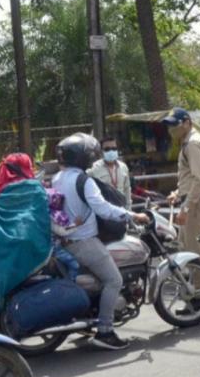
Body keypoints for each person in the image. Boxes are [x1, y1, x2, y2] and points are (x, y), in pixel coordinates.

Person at [51, 133, 150, 350]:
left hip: (65, 241)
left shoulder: (58, 178)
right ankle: (105, 331)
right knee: (114, 280)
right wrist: (132, 215)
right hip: (84, 242)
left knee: (100, 278)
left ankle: (90, 320)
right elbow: (102, 208)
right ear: (82, 157)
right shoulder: (83, 181)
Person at [163, 108, 200, 261]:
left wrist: (185, 208)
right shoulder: (188, 142)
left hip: (196, 203)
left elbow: (199, 180)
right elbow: (191, 177)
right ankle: (196, 284)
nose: (171, 129)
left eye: (174, 125)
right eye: (169, 126)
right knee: (187, 249)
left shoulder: (193, 144)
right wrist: (178, 193)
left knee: (194, 252)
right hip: (194, 201)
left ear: (187, 123)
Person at [89, 136, 132, 206]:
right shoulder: (94, 168)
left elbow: (127, 190)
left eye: (114, 148)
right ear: (101, 151)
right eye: (107, 149)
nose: (111, 151)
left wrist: (129, 210)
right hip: (104, 210)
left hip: (122, 209)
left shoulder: (123, 167)